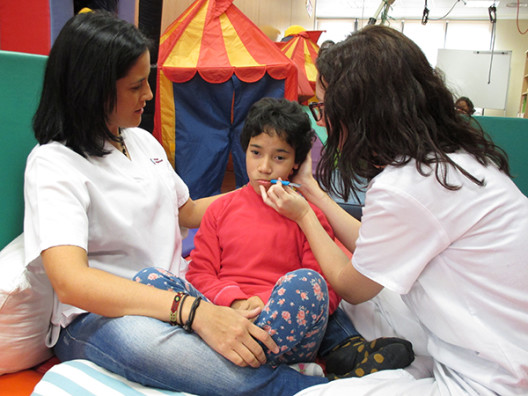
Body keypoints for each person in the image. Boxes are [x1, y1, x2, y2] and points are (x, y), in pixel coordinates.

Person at [23, 11, 331, 395]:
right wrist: (195, 313)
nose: (149, 96)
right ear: (94, 90)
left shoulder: (140, 141)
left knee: (300, 295)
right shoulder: (54, 163)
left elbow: (186, 211)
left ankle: (291, 356)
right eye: (137, 87)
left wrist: (266, 185)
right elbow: (71, 282)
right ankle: (297, 386)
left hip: (177, 291)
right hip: (107, 313)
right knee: (141, 341)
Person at [261, 25, 528, 395]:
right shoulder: (453, 160)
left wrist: (304, 215)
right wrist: (314, 193)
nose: (321, 122)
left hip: (493, 380)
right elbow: (376, 248)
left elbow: (353, 286)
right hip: (498, 346)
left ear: (359, 113)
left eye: (323, 109)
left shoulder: (406, 185)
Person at [179, 97, 414, 376]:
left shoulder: (308, 215)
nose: (264, 167)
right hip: (224, 321)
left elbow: (325, 287)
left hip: (285, 324)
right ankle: (310, 365)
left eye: (279, 157)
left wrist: (266, 302)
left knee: (307, 283)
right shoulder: (219, 210)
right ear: (244, 151)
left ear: (296, 163)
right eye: (256, 153)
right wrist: (235, 302)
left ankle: (248, 363)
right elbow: (199, 274)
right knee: (153, 279)